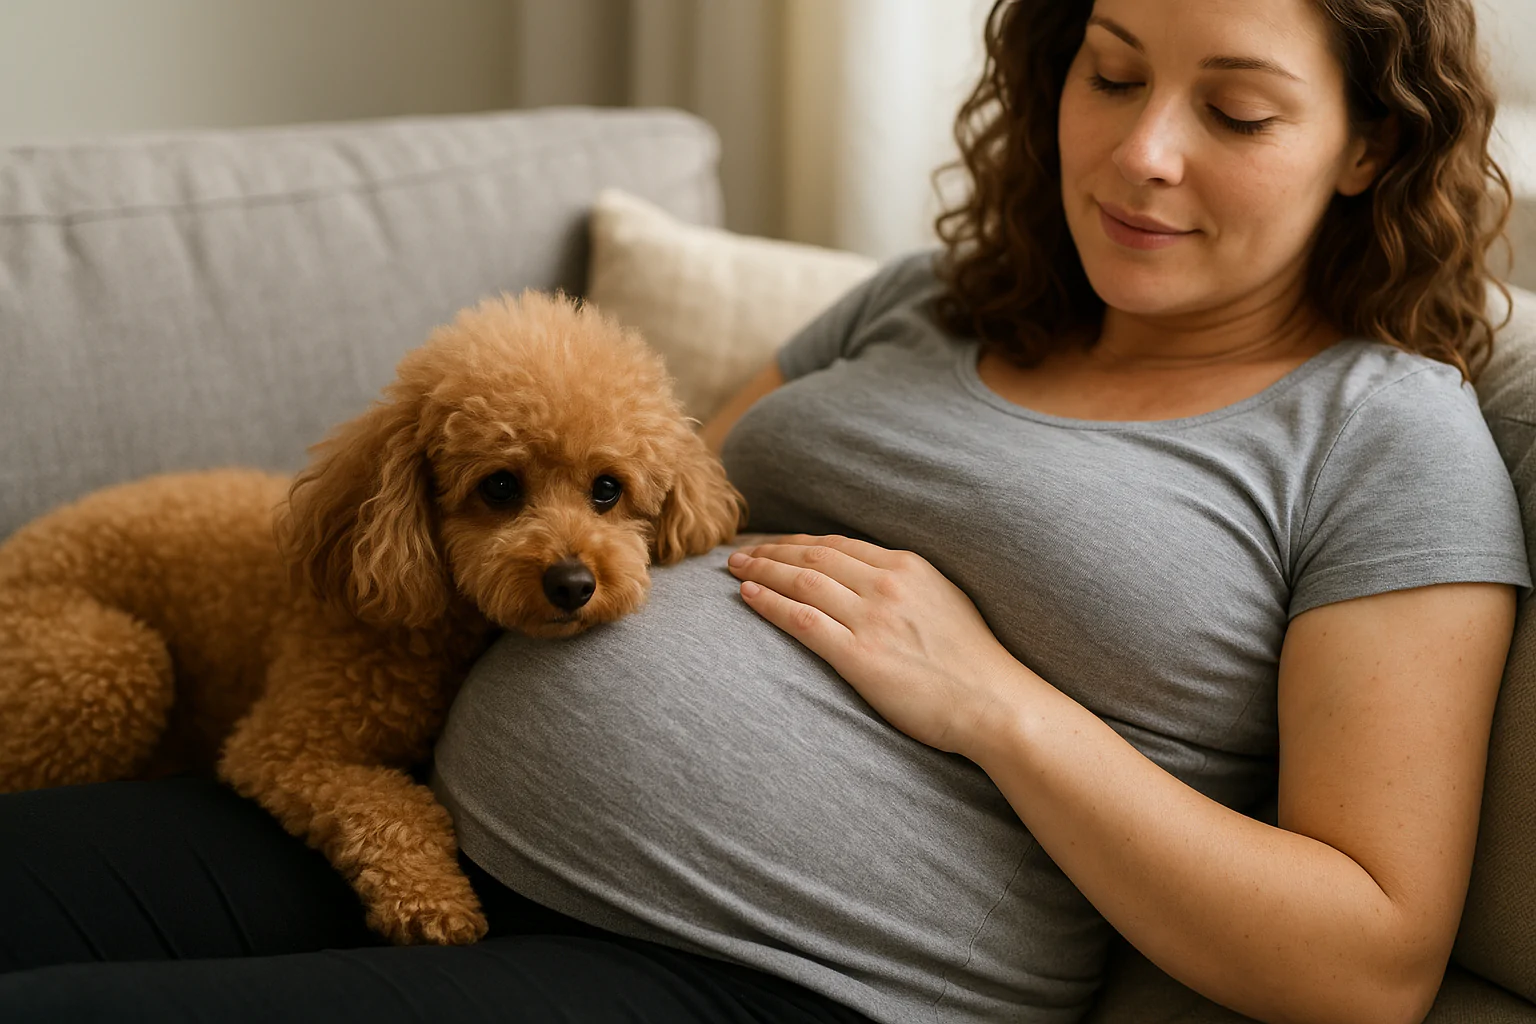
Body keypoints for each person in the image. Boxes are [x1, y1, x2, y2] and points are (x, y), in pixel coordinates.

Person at [1, 0, 1529, 1021]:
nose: (1139, 151)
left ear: (1370, 145)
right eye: (1112, 71)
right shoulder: (932, 299)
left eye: (1240, 113)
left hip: (747, 967)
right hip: (397, 819)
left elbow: (1371, 958)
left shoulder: (1385, 435)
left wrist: (994, 701)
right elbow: (658, 492)